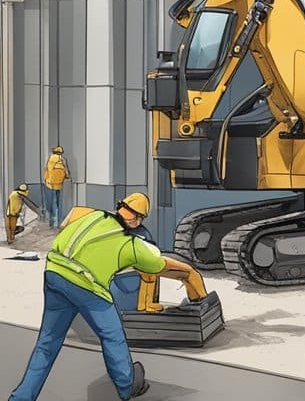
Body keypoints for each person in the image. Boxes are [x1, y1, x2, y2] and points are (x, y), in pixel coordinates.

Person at [8, 192, 197, 401]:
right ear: (138, 219)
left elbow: (65, 227)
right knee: (112, 335)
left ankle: (21, 397)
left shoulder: (93, 216)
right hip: (87, 286)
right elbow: (157, 265)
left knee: (47, 343)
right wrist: (188, 272)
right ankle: (127, 386)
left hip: (54, 273)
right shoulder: (130, 243)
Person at [43, 146, 70, 228]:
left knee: (50, 203)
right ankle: (58, 222)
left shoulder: (50, 159)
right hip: (59, 184)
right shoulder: (62, 159)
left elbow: (46, 170)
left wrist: (46, 179)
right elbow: (65, 169)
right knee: (58, 203)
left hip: (50, 184)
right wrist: (68, 176)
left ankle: (51, 223)